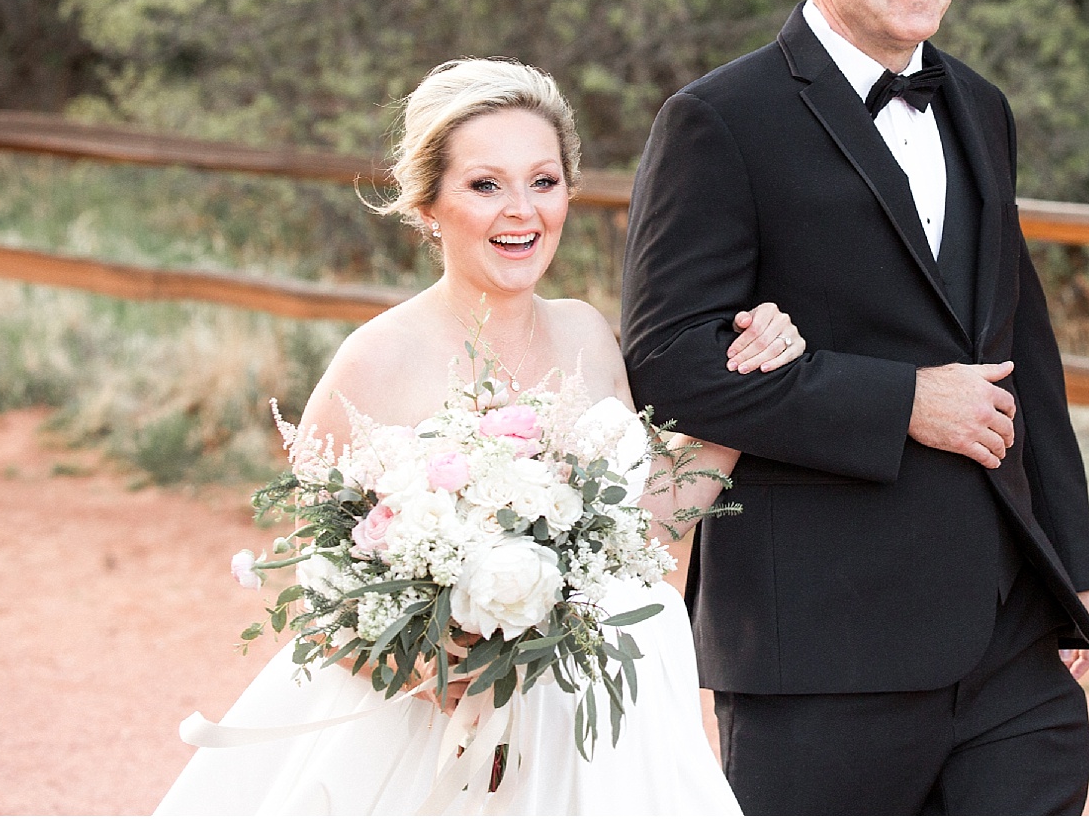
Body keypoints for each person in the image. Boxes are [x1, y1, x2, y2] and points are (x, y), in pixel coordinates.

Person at [619, 0, 1089, 815]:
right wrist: (903, 402)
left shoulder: (980, 106)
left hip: (1007, 634)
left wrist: (1074, 565)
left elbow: (1026, 346)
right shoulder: (719, 120)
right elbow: (669, 360)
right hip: (820, 645)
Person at [157, 58, 802, 815]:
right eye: (485, 184)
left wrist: (747, 379)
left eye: (544, 181)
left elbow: (647, 537)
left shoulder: (589, 335)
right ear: (428, 202)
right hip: (434, 741)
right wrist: (435, 667)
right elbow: (320, 594)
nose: (522, 211)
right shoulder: (375, 360)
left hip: (604, 729)